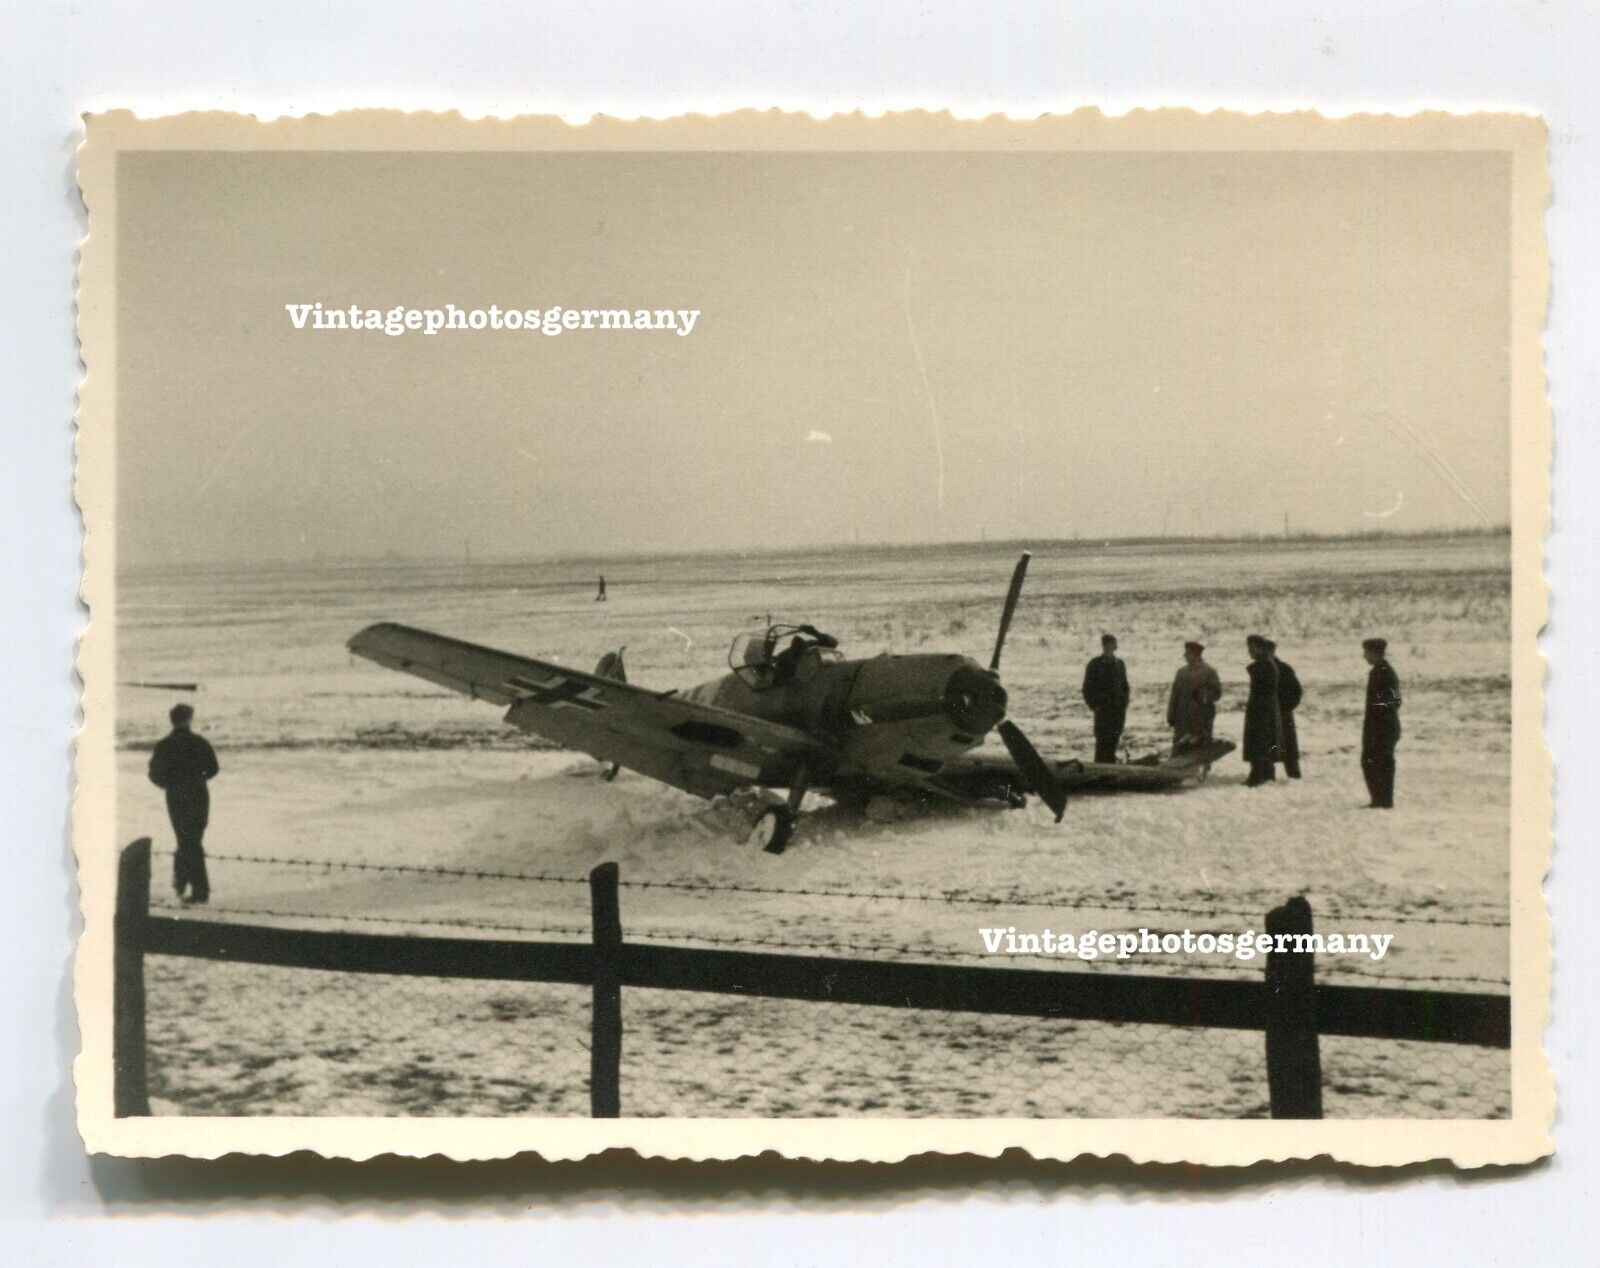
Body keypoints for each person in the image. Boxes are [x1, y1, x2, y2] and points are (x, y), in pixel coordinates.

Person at [147, 703, 219, 904]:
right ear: (188, 719)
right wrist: (199, 778)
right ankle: (196, 888)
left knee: (185, 839)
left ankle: (182, 881)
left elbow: (154, 774)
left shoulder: (164, 745)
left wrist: (168, 784)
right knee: (193, 839)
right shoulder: (199, 742)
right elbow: (213, 768)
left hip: (176, 796)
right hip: (198, 795)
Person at [1361, 637, 1402, 808]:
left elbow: (1393, 701)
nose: (1364, 656)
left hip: (1383, 728)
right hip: (1383, 726)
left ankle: (1382, 801)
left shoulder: (1383, 673)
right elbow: (1396, 700)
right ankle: (1380, 800)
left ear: (1375, 653)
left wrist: (1380, 718)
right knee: (1374, 762)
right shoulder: (1383, 671)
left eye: (1366, 652)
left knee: (1378, 762)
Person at [1242, 634, 1285, 786]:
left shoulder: (1263, 665)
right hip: (1266, 711)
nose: (1249, 651)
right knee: (1265, 743)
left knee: (1259, 743)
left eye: (1251, 648)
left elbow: (1264, 692)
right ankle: (1266, 774)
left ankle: (1258, 776)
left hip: (1262, 712)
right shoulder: (1266, 663)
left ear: (1259, 648)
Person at [1082, 634, 1131, 764]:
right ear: (1106, 645)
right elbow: (1087, 689)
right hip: (1103, 712)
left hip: (1118, 712)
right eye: (1112, 644)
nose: (1114, 646)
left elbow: (1125, 686)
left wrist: (1124, 703)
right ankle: (1101, 768)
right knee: (1102, 744)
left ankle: (1110, 767)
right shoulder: (1095, 664)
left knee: (1114, 742)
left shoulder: (1119, 664)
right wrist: (1095, 706)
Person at [1166, 640, 1222, 752]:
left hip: (1201, 718)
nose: (1185, 656)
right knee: (1180, 747)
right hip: (1182, 718)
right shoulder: (1181, 672)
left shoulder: (1209, 671)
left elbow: (1217, 693)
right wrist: (1171, 714)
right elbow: (1174, 695)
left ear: (1195, 655)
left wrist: (1204, 695)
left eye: (1187, 653)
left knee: (1200, 748)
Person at [1266, 638, 1303, 779]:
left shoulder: (1283, 669)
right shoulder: (1265, 668)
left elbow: (1296, 691)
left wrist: (1285, 707)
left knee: (1288, 748)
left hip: (1283, 715)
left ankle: (1293, 776)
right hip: (1271, 715)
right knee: (1272, 747)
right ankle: (1269, 777)